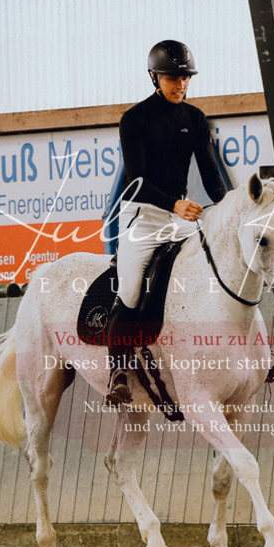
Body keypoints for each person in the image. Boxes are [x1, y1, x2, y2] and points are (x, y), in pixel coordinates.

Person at [105, 40, 227, 406]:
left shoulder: (195, 119)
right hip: (142, 217)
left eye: (186, 78)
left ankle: (254, 351)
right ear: (155, 77)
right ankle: (118, 371)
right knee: (129, 290)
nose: (181, 84)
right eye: (174, 78)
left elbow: (211, 176)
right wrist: (175, 204)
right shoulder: (135, 119)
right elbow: (136, 180)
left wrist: (228, 206)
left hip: (181, 217)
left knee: (221, 265)